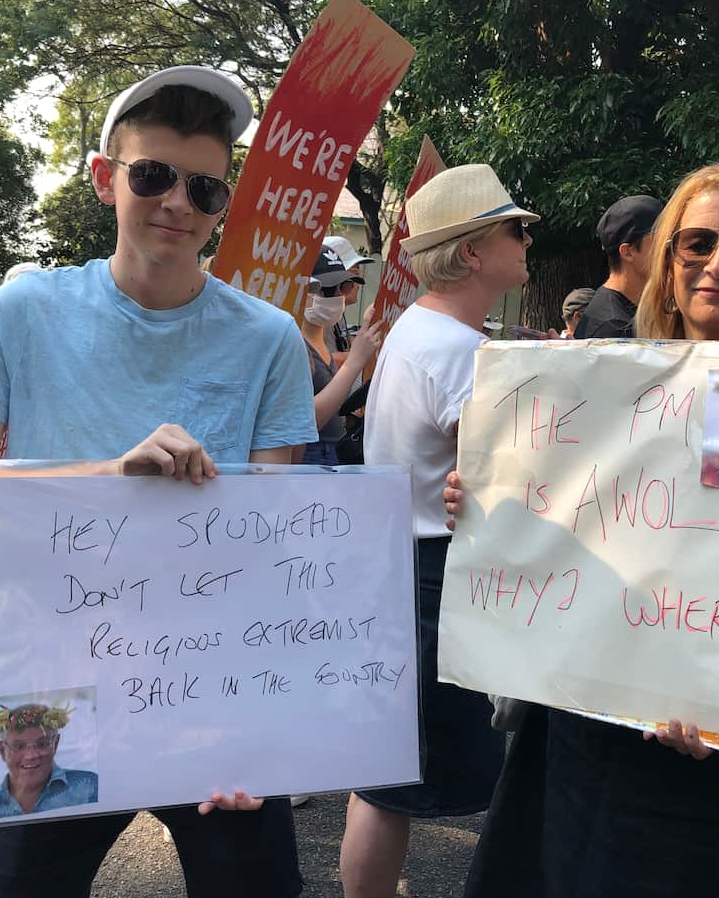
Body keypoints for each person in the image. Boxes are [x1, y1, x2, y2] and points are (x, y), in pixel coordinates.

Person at [0, 65, 314, 898]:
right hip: (46, 680)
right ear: (105, 179)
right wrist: (106, 472)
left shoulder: (270, 339)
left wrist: (268, 728)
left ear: (222, 205)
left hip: (208, 686)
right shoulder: (27, 312)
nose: (177, 203)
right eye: (153, 175)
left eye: (203, 188)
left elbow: (274, 541)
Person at [457, 163, 719, 898]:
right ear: (666, 261)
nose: (718, 264)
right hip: (596, 728)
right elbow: (561, 536)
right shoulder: (596, 386)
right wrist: (485, 507)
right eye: (695, 244)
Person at [339, 163, 533, 898]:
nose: (526, 241)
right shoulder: (459, 350)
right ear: (476, 250)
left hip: (404, 560)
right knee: (399, 783)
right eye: (515, 229)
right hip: (438, 573)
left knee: (386, 772)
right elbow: (517, 473)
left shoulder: (423, 329)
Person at [295, 247, 383, 466]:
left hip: (330, 454)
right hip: (309, 457)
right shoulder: (294, 345)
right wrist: (354, 362)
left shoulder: (318, 341)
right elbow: (306, 420)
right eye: (327, 289)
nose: (337, 297)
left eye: (343, 287)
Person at [0, 704, 99, 821]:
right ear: (2, 750)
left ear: (56, 743)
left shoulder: (90, 787)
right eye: (18, 746)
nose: (31, 756)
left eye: (42, 744)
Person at [573, 194, 663, 339]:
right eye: (660, 239)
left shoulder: (622, 312)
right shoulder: (614, 328)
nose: (669, 247)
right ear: (627, 252)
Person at [324, 235, 375, 353]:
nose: (359, 283)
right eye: (354, 274)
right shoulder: (320, 316)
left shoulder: (336, 313)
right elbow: (322, 361)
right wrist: (359, 355)